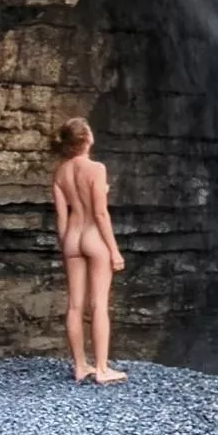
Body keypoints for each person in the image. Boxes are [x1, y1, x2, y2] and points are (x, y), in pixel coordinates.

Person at [51, 117, 127, 385]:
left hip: (72, 237)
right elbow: (100, 214)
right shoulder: (96, 169)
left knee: (74, 305)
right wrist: (115, 251)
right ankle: (103, 369)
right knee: (98, 305)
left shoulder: (60, 173)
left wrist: (65, 247)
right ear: (86, 138)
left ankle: (81, 366)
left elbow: (61, 218)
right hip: (94, 237)